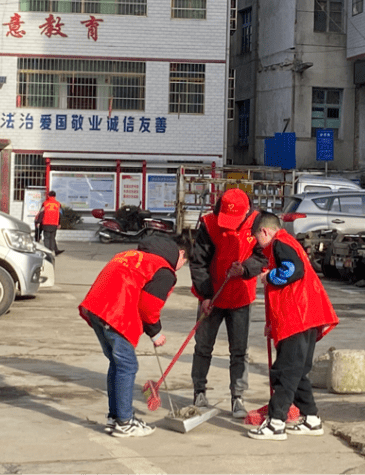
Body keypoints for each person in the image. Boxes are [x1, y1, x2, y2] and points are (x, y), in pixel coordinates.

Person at [78, 233, 190, 438]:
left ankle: (116, 416)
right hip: (115, 313)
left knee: (117, 364)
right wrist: (156, 334)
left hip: (95, 309)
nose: (181, 265)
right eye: (184, 260)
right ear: (180, 254)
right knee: (127, 367)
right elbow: (149, 305)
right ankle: (124, 422)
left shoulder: (130, 255)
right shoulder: (163, 270)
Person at [247, 211, 338, 440]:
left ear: (265, 231)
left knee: (285, 372)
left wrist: (269, 277)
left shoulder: (280, 244)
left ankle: (276, 423)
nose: (257, 243)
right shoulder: (288, 242)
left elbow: (293, 271)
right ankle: (312, 419)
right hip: (306, 316)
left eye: (256, 237)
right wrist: (271, 323)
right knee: (297, 372)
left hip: (298, 317)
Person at [189, 188, 268, 419]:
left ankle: (238, 397)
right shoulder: (209, 224)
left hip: (241, 297)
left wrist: (245, 269)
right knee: (203, 346)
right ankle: (199, 392)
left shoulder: (257, 224)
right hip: (212, 297)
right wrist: (204, 296)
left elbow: (263, 256)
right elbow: (198, 263)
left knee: (239, 350)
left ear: (246, 213)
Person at [38, 191, 63, 255]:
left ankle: (47, 251)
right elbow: (60, 214)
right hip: (54, 223)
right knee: (52, 237)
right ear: (55, 196)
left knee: (46, 238)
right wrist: (59, 223)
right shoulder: (58, 204)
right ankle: (52, 250)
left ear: (48, 196)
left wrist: (38, 222)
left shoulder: (45, 203)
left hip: (46, 223)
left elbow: (41, 213)